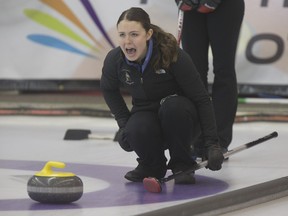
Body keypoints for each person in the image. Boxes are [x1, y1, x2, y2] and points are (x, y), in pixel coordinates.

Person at [100, 7, 224, 184]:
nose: (127, 42)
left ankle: (182, 163)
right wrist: (124, 124)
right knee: (136, 127)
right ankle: (152, 165)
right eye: (122, 35)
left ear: (148, 34)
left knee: (173, 107)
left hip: (182, 117)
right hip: (148, 115)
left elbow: (202, 99)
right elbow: (108, 89)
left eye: (134, 34)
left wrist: (212, 144)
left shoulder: (172, 54)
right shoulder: (115, 60)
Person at [175, 0, 245, 154]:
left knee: (224, 70)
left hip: (226, 5)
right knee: (194, 73)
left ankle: (218, 141)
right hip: (191, 7)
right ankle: (197, 139)